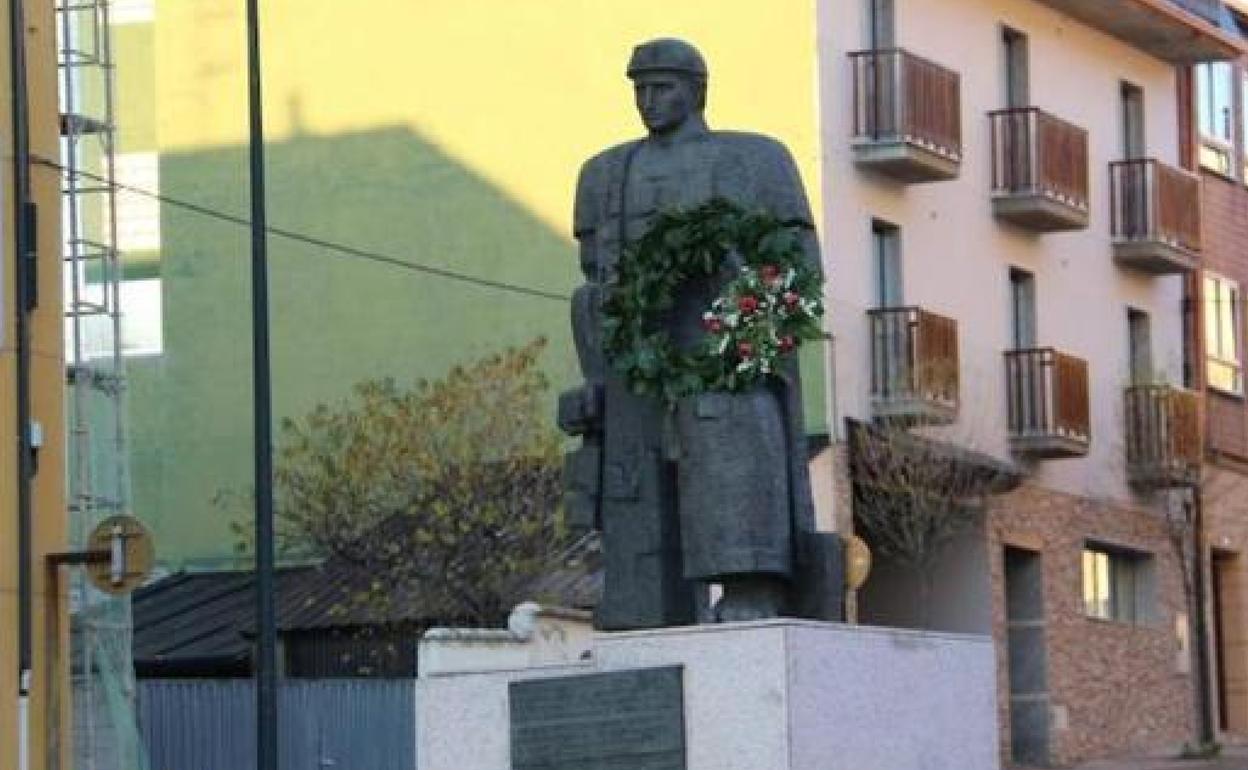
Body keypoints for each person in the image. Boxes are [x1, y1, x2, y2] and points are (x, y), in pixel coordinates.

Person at [559, 37, 833, 629]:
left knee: (732, 440)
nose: (649, 101)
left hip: (724, 350)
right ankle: (640, 601)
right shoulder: (605, 173)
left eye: (663, 88)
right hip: (639, 355)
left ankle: (749, 586)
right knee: (635, 479)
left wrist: (744, 345)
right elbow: (595, 284)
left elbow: (796, 263)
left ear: (696, 91)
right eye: (640, 89)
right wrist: (595, 376)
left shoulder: (754, 160)